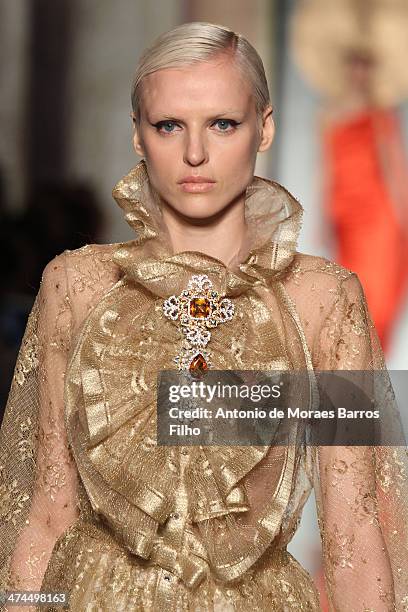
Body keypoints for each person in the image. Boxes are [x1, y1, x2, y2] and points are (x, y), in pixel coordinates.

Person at [0, 21, 407, 612]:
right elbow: (46, 512)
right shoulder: (77, 285)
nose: (195, 153)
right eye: (169, 125)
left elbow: (354, 533)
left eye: (223, 123)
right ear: (138, 136)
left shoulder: (325, 299)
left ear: (263, 128)